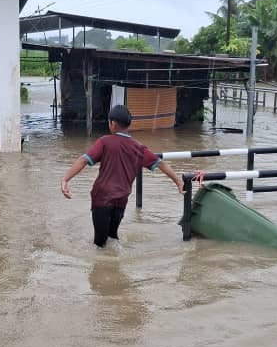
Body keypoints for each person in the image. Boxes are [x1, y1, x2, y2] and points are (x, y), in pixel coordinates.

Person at [60, 105, 184, 247]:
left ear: (112, 124)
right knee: (113, 237)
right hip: (121, 199)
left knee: (99, 243)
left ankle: (104, 261)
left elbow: (83, 160)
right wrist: (178, 182)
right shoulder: (138, 148)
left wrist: (65, 179)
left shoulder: (105, 142)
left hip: (102, 198)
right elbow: (161, 164)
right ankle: (116, 260)